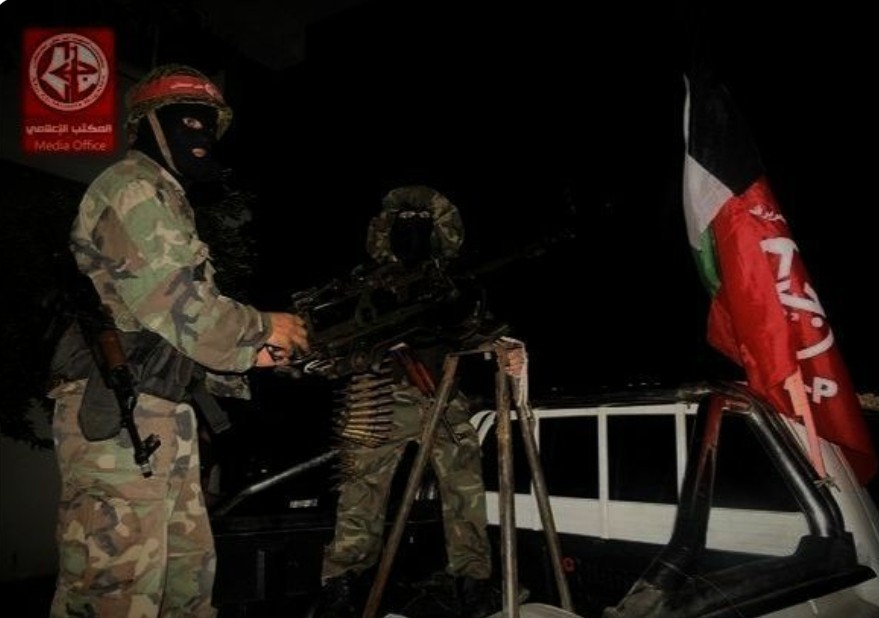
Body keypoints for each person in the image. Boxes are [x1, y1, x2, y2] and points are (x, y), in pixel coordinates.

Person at [45, 63, 309, 618]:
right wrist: (264, 326)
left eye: (209, 124)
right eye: (187, 121)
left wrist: (250, 357)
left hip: (159, 411)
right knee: (115, 595)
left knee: (183, 587)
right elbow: (180, 306)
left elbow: (172, 329)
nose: (202, 135)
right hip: (120, 415)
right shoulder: (134, 187)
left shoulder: (166, 195)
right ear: (149, 126)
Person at [318, 185, 524, 618]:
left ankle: (472, 583)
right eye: (404, 222)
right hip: (378, 395)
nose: (412, 231)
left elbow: (475, 330)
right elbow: (332, 339)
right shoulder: (364, 282)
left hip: (443, 394)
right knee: (360, 497)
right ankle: (343, 585)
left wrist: (505, 348)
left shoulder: (450, 283)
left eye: (423, 223)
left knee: (465, 493)